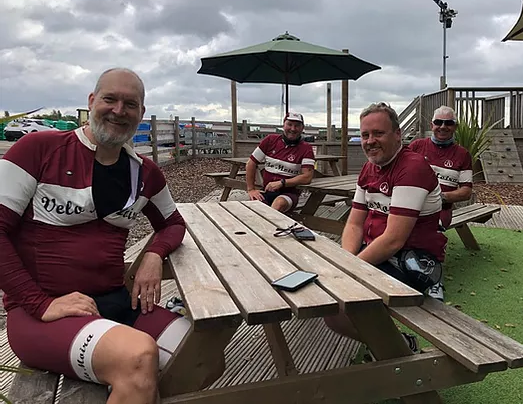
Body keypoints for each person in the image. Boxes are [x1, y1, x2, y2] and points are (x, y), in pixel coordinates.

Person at [0, 68, 197, 404]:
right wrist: (39, 303)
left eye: (130, 104)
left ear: (141, 114)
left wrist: (153, 254)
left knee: (199, 358)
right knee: (137, 358)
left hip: (117, 303)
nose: (119, 111)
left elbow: (174, 223)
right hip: (41, 314)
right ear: (92, 101)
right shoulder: (38, 149)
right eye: (110, 99)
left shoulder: (144, 172)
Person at [324, 102, 447, 344]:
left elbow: (393, 240)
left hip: (412, 263)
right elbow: (354, 224)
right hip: (377, 257)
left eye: (378, 133)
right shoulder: (369, 168)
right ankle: (390, 344)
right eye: (365, 135)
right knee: (325, 293)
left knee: (334, 308)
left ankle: (400, 347)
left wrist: (349, 269)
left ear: (398, 134)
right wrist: (346, 262)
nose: (370, 141)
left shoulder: (412, 167)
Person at [406, 105, 473, 229]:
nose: (443, 126)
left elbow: (466, 192)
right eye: (438, 122)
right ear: (432, 125)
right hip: (410, 206)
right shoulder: (416, 147)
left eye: (448, 123)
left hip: (440, 211)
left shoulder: (463, 155)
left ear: (455, 127)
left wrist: (438, 198)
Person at [245, 112, 315, 212]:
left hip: (289, 194)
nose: (293, 129)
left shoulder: (306, 148)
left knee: (278, 204)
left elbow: (307, 177)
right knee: (253, 208)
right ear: (284, 124)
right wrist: (251, 189)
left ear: (302, 128)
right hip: (266, 191)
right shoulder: (270, 140)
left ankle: (269, 226)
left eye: (297, 126)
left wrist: (282, 183)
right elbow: (251, 163)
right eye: (289, 124)